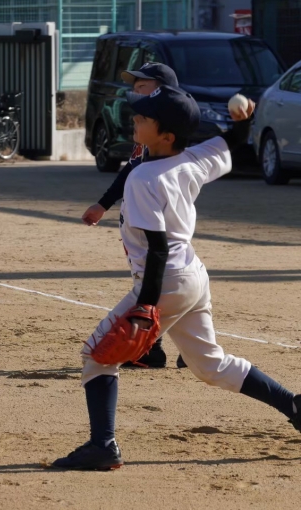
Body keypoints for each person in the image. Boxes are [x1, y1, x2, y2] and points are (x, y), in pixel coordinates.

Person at [52, 86, 300, 470]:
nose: (135, 119)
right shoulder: (193, 158)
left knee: (97, 357)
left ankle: (102, 446)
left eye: (144, 118)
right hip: (192, 277)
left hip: (164, 280)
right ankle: (294, 405)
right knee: (210, 365)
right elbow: (228, 143)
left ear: (166, 135)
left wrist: (145, 306)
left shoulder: (143, 178)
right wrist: (243, 123)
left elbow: (157, 247)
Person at [81, 62, 185, 369]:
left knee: (165, 279)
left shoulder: (168, 131)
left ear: (163, 91)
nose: (135, 90)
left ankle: (154, 348)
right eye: (135, 86)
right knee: (165, 281)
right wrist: (104, 204)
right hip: (140, 218)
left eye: (143, 85)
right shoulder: (147, 127)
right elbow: (130, 169)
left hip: (158, 220)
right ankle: (175, 349)